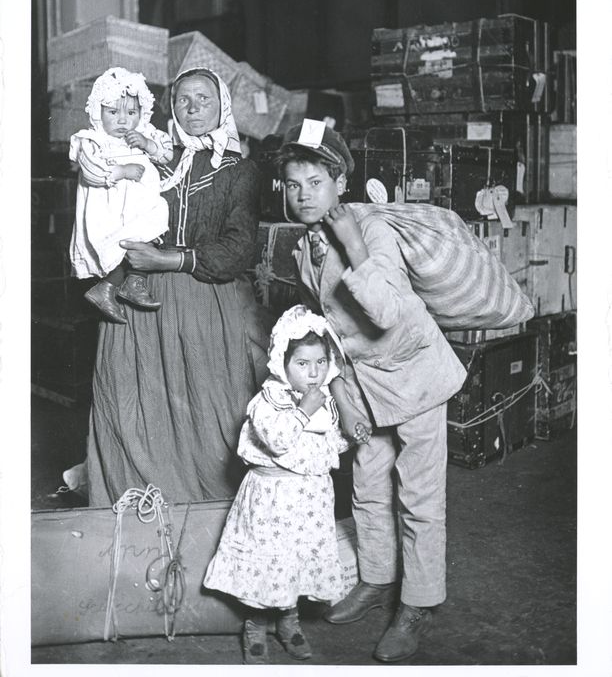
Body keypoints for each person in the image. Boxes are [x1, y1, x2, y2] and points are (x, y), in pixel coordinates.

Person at [275, 119, 468, 662]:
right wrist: (340, 397)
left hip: (415, 376)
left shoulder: (372, 228)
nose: (303, 195)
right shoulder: (303, 245)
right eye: (293, 185)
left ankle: (419, 603)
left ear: (340, 181)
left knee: (419, 497)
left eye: (315, 182)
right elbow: (326, 331)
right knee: (366, 486)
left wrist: (354, 242)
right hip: (364, 385)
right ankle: (378, 579)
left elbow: (383, 310)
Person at [86, 66, 262, 506]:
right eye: (184, 100)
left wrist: (168, 258)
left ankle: (208, 517)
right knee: (131, 403)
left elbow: (240, 247)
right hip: (136, 299)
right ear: (171, 108)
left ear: (223, 106)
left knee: (207, 411)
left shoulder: (240, 171)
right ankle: (134, 511)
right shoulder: (152, 158)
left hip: (201, 298)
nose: (193, 108)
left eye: (204, 99)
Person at [203, 305, 360, 664]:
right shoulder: (268, 401)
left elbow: (326, 444)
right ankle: (256, 624)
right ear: (282, 362)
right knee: (269, 563)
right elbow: (278, 440)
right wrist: (303, 410)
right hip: (272, 500)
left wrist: (349, 435)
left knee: (296, 562)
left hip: (309, 499)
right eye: (302, 364)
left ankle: (289, 622)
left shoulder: (324, 401)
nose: (313, 373)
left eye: (320, 363)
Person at [69, 67, 172, 323]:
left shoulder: (145, 134)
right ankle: (107, 286)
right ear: (98, 112)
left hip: (142, 205)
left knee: (150, 230)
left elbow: (167, 154)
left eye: (131, 112)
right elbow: (91, 172)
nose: (123, 120)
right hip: (110, 209)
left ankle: (133, 282)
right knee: (121, 243)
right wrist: (121, 170)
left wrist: (148, 145)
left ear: (142, 113)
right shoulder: (92, 140)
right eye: (113, 112)